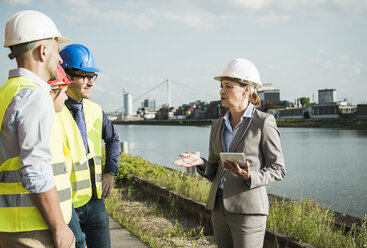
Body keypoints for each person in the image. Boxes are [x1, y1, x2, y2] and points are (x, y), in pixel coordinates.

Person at [173, 58, 286, 248]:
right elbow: (215, 169)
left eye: (228, 86)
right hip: (219, 209)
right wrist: (201, 163)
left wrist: (250, 175)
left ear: (246, 89)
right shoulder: (217, 126)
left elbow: (278, 169)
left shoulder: (264, 122)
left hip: (249, 212)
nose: (221, 91)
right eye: (221, 86)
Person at [0, 10, 75, 248]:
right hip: (35, 230)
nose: (60, 60)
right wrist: (60, 227)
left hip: (10, 226)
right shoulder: (35, 95)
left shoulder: (7, 91)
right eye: (56, 51)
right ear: (43, 51)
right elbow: (36, 170)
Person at [59, 43, 121, 248]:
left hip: (95, 202)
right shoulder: (52, 111)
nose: (91, 83)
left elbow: (113, 139)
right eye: (84, 76)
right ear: (66, 76)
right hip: (65, 205)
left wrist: (110, 171)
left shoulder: (95, 110)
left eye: (92, 76)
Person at [48, 65, 87, 248]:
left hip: (65, 204)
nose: (66, 97)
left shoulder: (57, 115)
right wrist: (59, 226)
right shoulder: (48, 120)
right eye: (63, 91)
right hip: (56, 209)